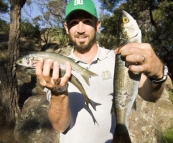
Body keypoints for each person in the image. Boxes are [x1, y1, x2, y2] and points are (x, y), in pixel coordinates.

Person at [35, 0, 168, 142]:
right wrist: (58, 92)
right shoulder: (56, 68)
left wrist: (158, 76)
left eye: (87, 21)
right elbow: (60, 126)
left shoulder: (121, 58)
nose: (80, 29)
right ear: (66, 28)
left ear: (97, 25)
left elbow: (151, 96)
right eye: (74, 23)